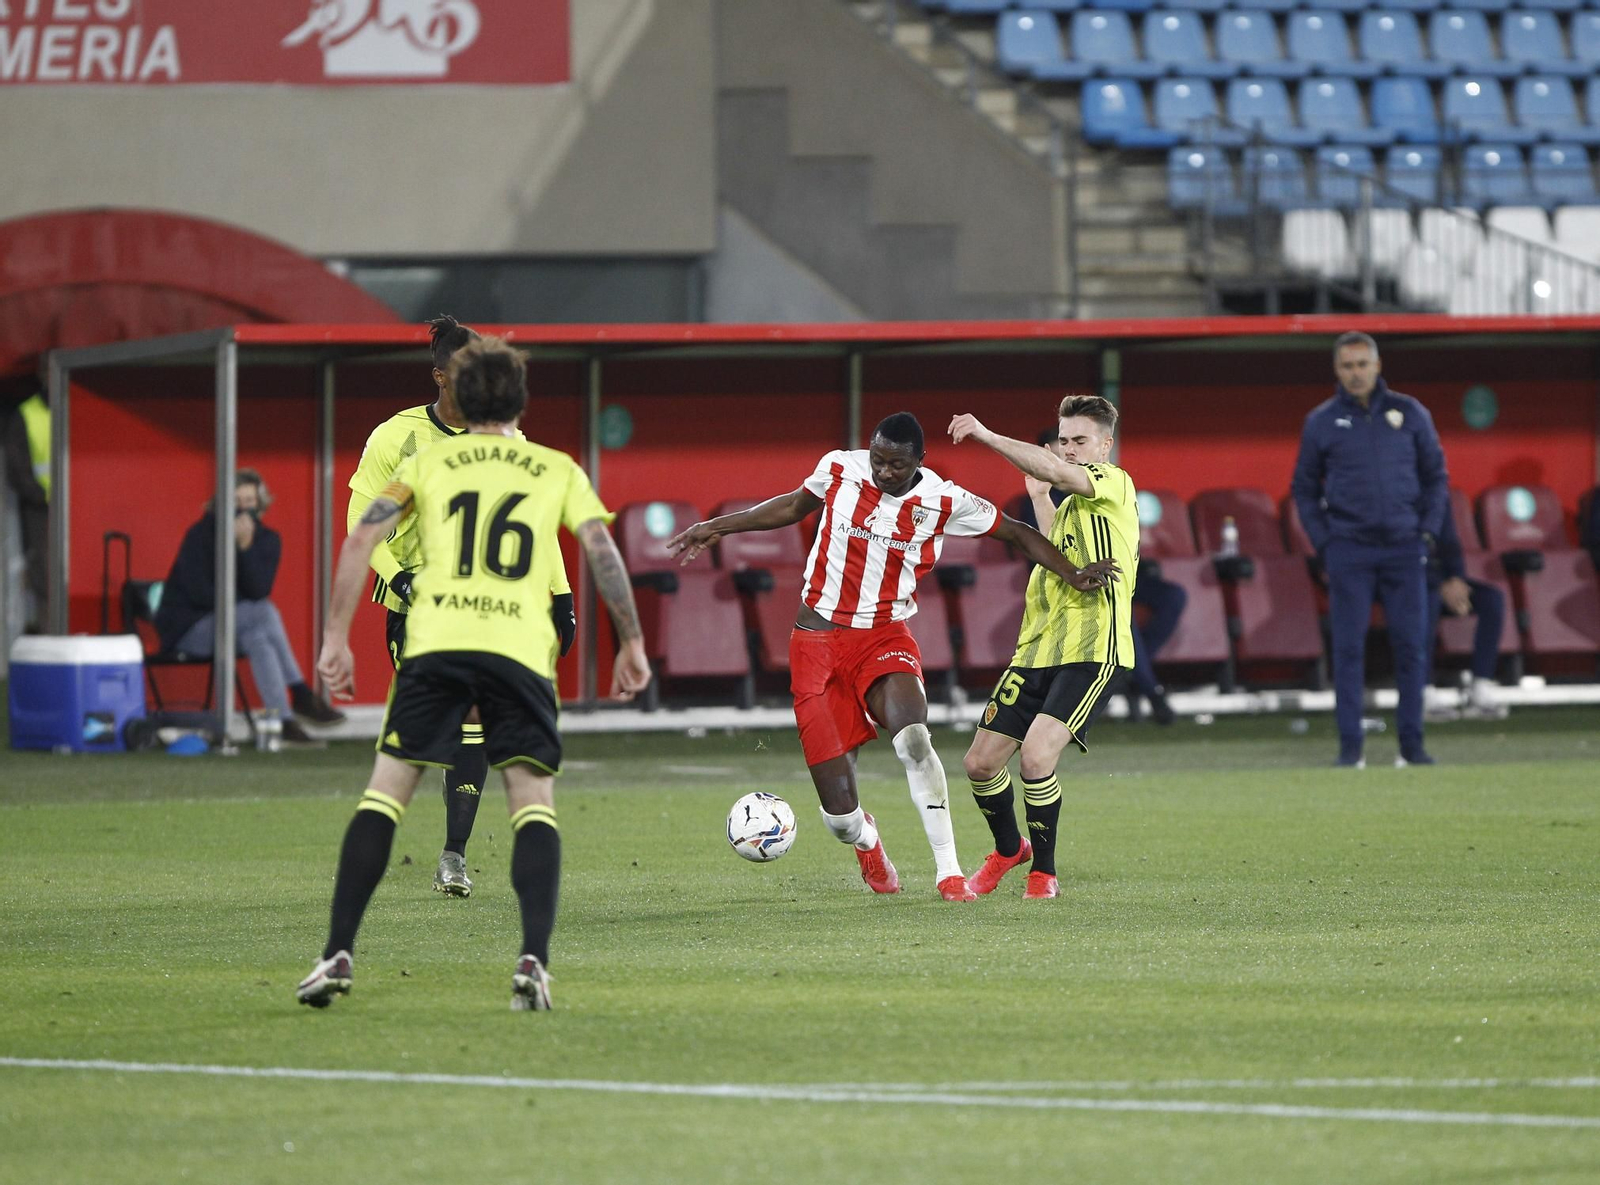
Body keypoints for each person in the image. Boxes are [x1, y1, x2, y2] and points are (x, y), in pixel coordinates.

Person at [297, 337, 651, 1012]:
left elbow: (360, 536)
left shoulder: (429, 462)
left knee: (384, 794)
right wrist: (631, 640)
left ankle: (337, 950)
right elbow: (601, 550)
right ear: (519, 401)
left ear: (458, 397)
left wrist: (334, 636)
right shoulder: (555, 468)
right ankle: (533, 962)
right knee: (531, 800)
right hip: (517, 648)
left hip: (436, 642)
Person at [665, 413, 1116, 902]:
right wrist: (718, 527)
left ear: (918, 462)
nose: (883, 472)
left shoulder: (943, 499)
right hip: (815, 644)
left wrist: (1071, 572)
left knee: (914, 738)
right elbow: (793, 506)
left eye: (896, 465)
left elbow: (1016, 533)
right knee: (839, 818)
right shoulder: (840, 469)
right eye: (878, 460)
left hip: (884, 637)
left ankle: (948, 873)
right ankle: (868, 842)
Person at [346, 314, 578, 899]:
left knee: (474, 724)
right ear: (440, 378)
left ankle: (453, 855)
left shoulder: (506, 439)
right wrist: (398, 580)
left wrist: (561, 593)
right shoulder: (396, 437)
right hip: (419, 603)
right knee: (434, 734)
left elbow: (536, 521)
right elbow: (358, 523)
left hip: (492, 604)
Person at [948, 396, 1138, 900]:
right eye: (1064, 440)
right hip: (1036, 649)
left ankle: (1044, 873)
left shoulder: (1113, 482)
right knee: (981, 763)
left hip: (1093, 647)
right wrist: (1038, 497)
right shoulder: (1073, 503)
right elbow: (1059, 551)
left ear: (1105, 444)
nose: (1070, 450)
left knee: (1035, 757)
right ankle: (1010, 850)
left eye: (1080, 441)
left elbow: (1061, 472)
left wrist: (987, 435)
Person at [1291, 331, 1448, 769]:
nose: (1356, 373)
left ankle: (1412, 748)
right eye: (1348, 366)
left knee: (1412, 647)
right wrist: (1326, 542)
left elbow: (1437, 478)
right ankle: (1350, 750)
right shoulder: (1321, 421)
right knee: (1348, 649)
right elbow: (1303, 489)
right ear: (1336, 371)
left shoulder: (1410, 412)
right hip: (1350, 550)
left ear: (1378, 366)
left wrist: (1427, 533)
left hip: (1404, 547)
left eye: (1363, 364)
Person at [154, 468, 344, 744]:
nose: (243, 509)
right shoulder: (200, 534)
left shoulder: (267, 540)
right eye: (236, 501)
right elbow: (198, 593)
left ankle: (282, 721)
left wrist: (244, 548)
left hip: (235, 627)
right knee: (263, 612)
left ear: (260, 504)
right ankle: (301, 692)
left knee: (258, 637)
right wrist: (240, 601)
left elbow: (258, 588)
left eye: (249, 501)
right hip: (190, 631)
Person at [1016, 426, 1182, 725]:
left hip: (1111, 570)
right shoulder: (1040, 494)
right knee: (1120, 613)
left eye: (1074, 446)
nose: (1068, 455)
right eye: (1059, 449)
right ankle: (1152, 691)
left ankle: (1129, 671)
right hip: (1069, 580)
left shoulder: (1100, 481)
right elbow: (1043, 547)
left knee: (1173, 595)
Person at [1425, 503, 1507, 721]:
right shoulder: (1397, 490)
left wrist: (1456, 579)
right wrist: (1438, 584)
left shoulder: (1436, 494)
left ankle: (1480, 686)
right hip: (1401, 581)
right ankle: (1421, 689)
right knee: (1428, 598)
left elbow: (1450, 543)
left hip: (1439, 581)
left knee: (1492, 599)